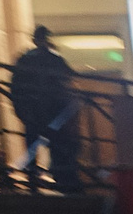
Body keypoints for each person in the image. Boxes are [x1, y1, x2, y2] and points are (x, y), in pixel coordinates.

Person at [9, 25, 83, 191]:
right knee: (58, 148)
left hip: (33, 113)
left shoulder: (25, 60)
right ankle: (64, 182)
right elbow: (68, 80)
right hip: (53, 112)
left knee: (32, 146)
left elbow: (16, 87)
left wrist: (22, 110)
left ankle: (33, 180)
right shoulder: (54, 59)